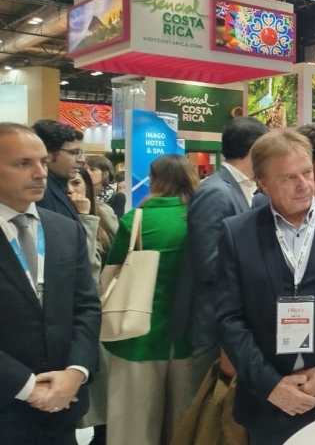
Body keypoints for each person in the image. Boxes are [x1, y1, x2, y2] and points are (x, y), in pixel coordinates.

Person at [216, 130, 315, 444]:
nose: (304, 185)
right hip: (269, 402)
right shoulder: (237, 234)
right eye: (289, 178)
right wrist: (272, 386)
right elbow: (228, 318)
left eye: (306, 173)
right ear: (263, 182)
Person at [0, 123, 100, 444]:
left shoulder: (65, 230)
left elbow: (86, 307)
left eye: (43, 162)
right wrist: (28, 387)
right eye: (23, 164)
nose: (40, 172)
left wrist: (76, 372)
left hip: (62, 407)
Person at [104, 155, 200, 445]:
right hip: (188, 339)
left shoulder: (136, 219)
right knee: (184, 424)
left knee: (133, 427)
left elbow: (112, 271)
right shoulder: (197, 217)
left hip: (136, 335)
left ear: (155, 179)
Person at [183, 118, 268, 371]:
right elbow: (209, 264)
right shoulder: (217, 192)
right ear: (255, 149)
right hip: (215, 328)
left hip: (231, 324)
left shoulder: (243, 189)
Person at [67, 167, 116, 443]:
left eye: (77, 183)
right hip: (81, 319)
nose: (72, 190)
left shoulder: (105, 214)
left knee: (104, 412)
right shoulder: (66, 219)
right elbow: (86, 272)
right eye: (68, 184)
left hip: (107, 317)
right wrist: (84, 219)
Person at [32, 120, 85, 222]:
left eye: (81, 153)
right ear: (48, 154)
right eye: (74, 152)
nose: (81, 160)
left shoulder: (58, 186)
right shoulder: (39, 191)